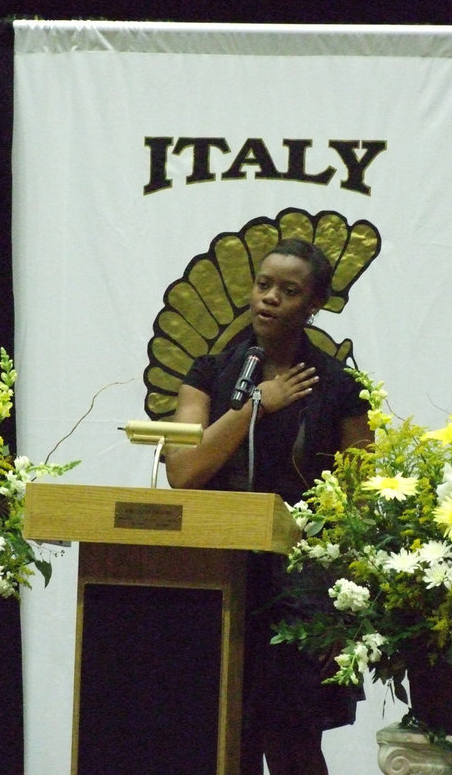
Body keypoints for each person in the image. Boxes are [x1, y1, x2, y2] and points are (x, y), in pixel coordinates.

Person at [165, 238, 372, 775]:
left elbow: (360, 498)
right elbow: (184, 473)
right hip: (216, 576)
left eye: (289, 290)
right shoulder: (209, 373)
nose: (270, 298)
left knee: (291, 741)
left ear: (314, 305)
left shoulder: (340, 386)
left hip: (299, 586)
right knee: (220, 740)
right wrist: (255, 406)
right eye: (263, 284)